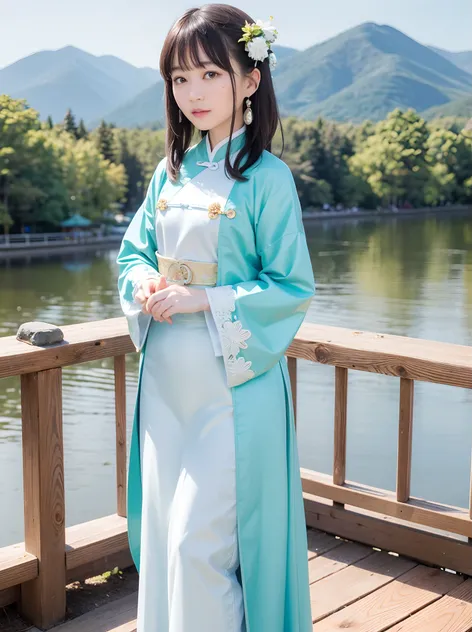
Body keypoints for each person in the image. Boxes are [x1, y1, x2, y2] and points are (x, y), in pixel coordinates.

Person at [117, 5, 315, 631]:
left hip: (231, 391)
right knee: (165, 543)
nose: (192, 93)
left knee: (198, 549)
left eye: (208, 74)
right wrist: (145, 281)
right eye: (179, 79)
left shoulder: (268, 179)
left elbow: (292, 287)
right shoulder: (169, 172)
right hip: (167, 389)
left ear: (250, 80)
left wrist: (207, 298)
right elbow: (133, 254)